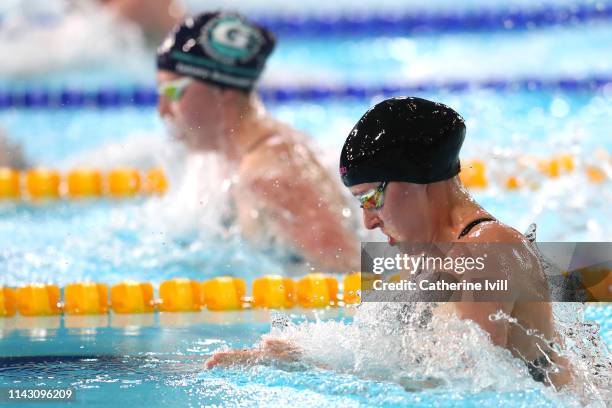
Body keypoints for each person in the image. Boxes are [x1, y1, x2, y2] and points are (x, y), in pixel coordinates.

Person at [205, 97, 575, 389]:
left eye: (371, 199)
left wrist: (317, 366)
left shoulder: (488, 248)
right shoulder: (433, 254)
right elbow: (401, 357)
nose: (368, 219)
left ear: (414, 182)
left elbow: (468, 383)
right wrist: (299, 353)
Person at [156, 12, 360, 273]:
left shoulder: (271, 177)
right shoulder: (238, 156)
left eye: (172, 91)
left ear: (222, 90)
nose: (162, 110)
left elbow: (354, 274)